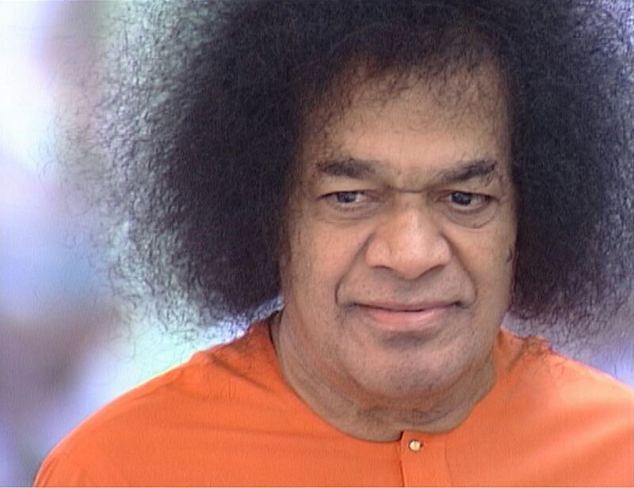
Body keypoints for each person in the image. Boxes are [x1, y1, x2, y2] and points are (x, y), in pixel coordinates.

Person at [35, 1, 633, 486]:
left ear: (531, 213)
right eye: (349, 197)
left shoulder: (619, 453)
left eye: (463, 198)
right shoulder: (116, 471)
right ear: (268, 214)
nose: (411, 254)